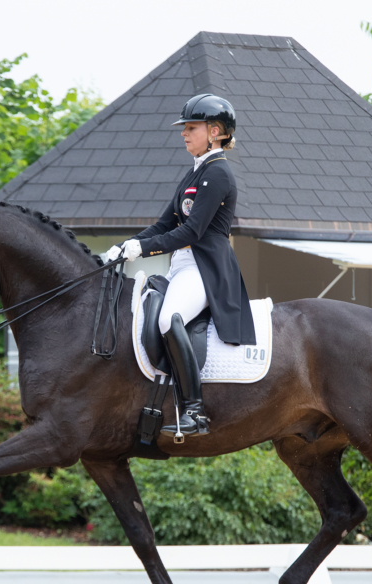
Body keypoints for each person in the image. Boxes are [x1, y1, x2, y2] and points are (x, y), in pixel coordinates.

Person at [106, 94, 257, 437]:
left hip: (206, 267)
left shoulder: (218, 173)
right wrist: (125, 246)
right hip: (182, 264)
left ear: (215, 131)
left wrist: (142, 249)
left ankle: (195, 411)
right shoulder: (194, 173)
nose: (183, 134)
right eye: (184, 128)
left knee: (168, 318)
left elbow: (192, 231)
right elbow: (164, 225)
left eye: (191, 128)